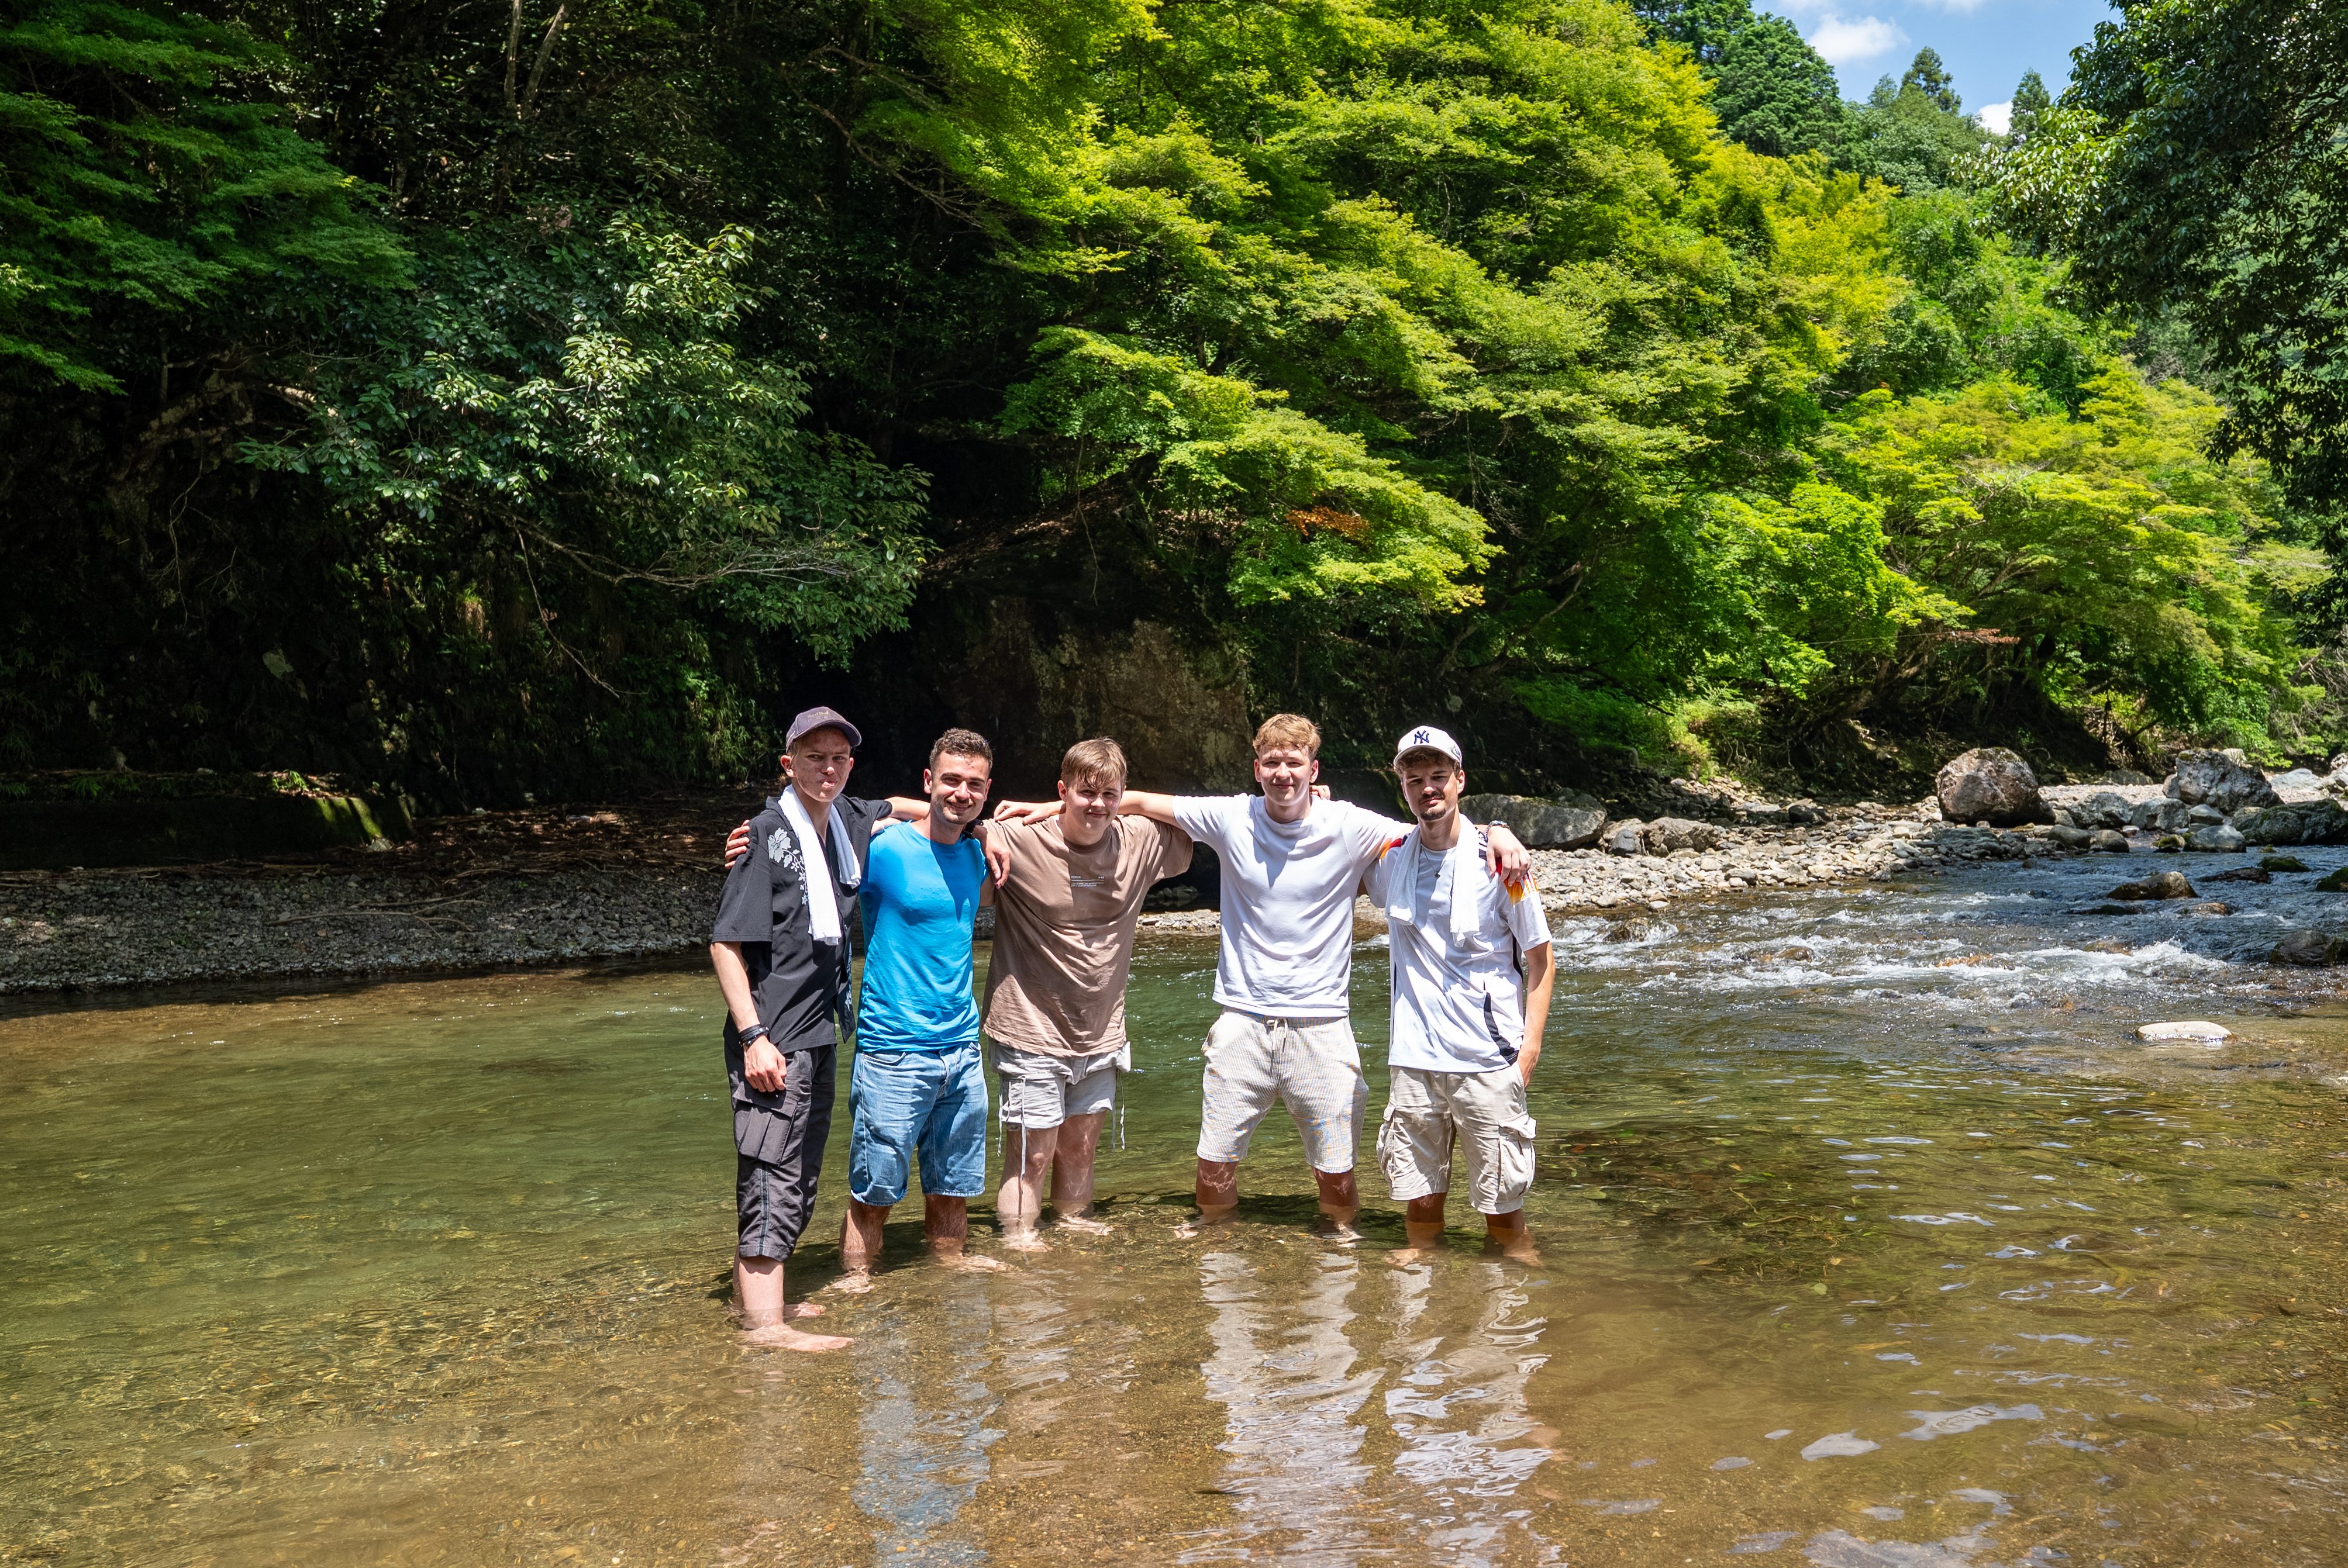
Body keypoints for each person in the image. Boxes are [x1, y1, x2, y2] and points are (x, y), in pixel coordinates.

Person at [995, 714, 1529, 1238]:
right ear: (1256, 768)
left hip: (1322, 1024)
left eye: (1293, 763)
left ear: (1312, 769)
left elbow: (1434, 827)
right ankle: (1215, 1243)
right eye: (1272, 762)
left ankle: (1339, 1252)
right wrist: (1053, 806)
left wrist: (1496, 831)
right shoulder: (1231, 816)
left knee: (1337, 1171)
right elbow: (1135, 800)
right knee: (1213, 1164)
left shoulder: (1349, 823)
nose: (1283, 774)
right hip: (1241, 1021)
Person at [708, 706, 930, 1351]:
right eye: (813, 757)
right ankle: (766, 1329)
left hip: (819, 1032)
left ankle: (754, 1303)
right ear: (789, 764)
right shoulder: (764, 837)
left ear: (850, 766)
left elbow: (901, 806)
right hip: (773, 1036)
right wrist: (753, 1039)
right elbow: (725, 946)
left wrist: (989, 834)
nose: (826, 768)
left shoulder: (848, 820)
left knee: (798, 1174)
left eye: (837, 758)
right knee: (769, 1172)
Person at [983, 737, 1193, 1251]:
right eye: (1084, 793)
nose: (1097, 804)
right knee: (1031, 1155)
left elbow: (1210, 822)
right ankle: (1019, 1240)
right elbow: (951, 825)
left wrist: (1313, 801)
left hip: (1101, 1032)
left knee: (1080, 1150)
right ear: (1062, 791)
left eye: (1109, 794)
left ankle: (1073, 1234)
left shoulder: (1138, 838)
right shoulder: (1017, 837)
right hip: (1029, 1027)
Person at [1364, 725, 1555, 1263]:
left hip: (1487, 1059)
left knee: (1504, 1212)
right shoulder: (1389, 857)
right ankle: (1423, 1290)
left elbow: (1541, 959)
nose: (1428, 788)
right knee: (1418, 1201)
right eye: (1414, 778)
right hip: (1413, 1060)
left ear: (1459, 781)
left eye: (1438, 777)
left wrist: (1529, 1053)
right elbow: (1317, 832)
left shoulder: (1505, 865)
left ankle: (1523, 1301)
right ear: (1401, 786)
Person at [833, 727, 1006, 1293]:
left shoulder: (978, 855)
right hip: (892, 1051)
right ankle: (859, 1282)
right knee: (874, 1190)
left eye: (974, 785)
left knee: (952, 1184)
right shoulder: (881, 849)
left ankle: (949, 1272)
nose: (961, 792)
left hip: (961, 1048)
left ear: (986, 790)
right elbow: (814, 818)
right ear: (928, 782)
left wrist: (988, 830)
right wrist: (749, 842)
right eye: (950, 780)